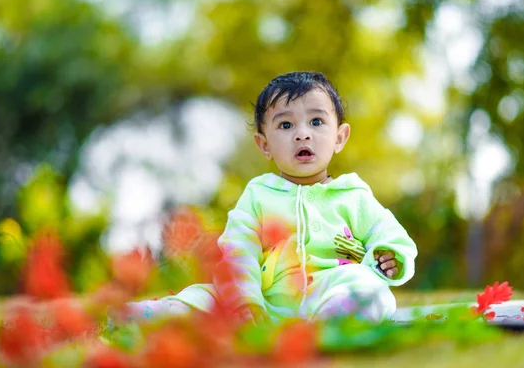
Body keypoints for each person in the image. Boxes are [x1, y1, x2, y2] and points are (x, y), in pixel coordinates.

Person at [120, 71, 417, 324]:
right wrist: (246, 301)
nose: (302, 134)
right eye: (286, 125)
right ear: (264, 145)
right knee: (204, 296)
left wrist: (388, 253)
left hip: (329, 293)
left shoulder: (353, 195)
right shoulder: (258, 195)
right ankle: (151, 316)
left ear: (339, 137)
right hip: (266, 302)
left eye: (316, 122)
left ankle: (335, 321)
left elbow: (386, 231)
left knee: (366, 284)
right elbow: (238, 248)